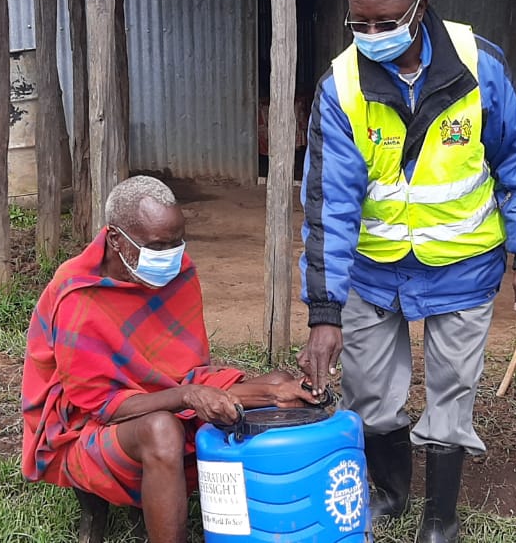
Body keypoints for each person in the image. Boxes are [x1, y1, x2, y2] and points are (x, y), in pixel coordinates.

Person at [296, 0, 516, 540]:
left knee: (453, 388)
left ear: (421, 10)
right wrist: (325, 312)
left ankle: (441, 517)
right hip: (372, 269)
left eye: (386, 23)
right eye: (359, 25)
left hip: (463, 265)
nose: (372, 37)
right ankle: (390, 490)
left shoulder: (479, 66)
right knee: (368, 388)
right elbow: (328, 204)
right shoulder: (340, 88)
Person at [21, 175, 319, 543]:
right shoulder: (78, 293)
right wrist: (188, 396)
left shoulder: (179, 272)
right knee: (162, 430)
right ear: (116, 239)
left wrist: (270, 395)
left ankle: (278, 525)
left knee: (277, 383)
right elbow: (104, 408)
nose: (170, 257)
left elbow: (188, 372)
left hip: (168, 397)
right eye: (158, 246)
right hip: (86, 430)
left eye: (177, 243)